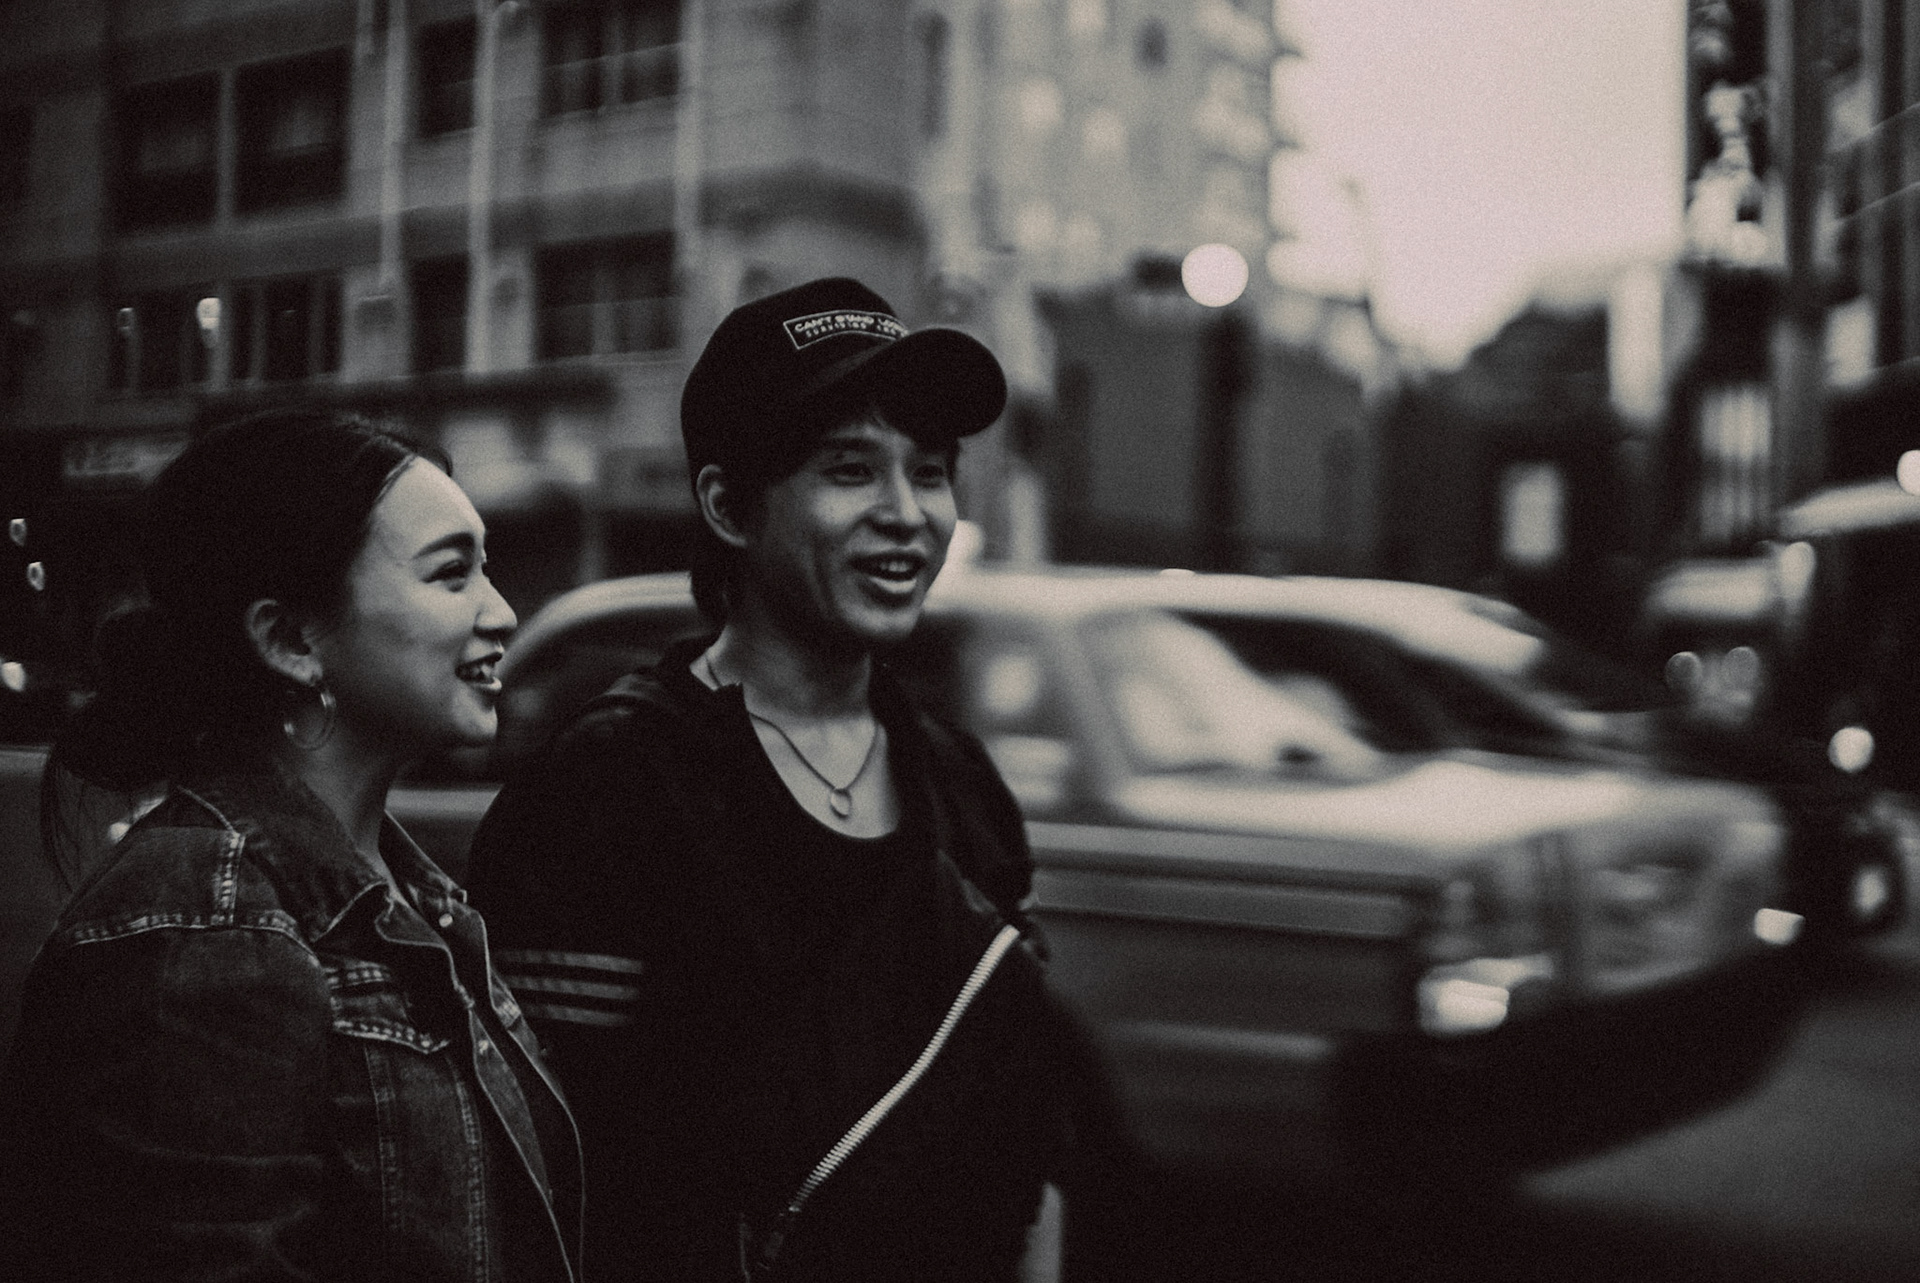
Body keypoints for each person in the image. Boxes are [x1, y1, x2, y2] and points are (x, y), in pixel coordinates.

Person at [466, 278, 1076, 1281]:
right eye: (849, 469)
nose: (907, 515)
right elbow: (551, 1182)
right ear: (727, 505)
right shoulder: (608, 792)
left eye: (929, 472)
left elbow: (1027, 1142)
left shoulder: (963, 783)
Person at [0, 410, 582, 1282]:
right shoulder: (207, 936)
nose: (500, 611)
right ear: (290, 640)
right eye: (452, 573)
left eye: (486, 568)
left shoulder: (408, 895)